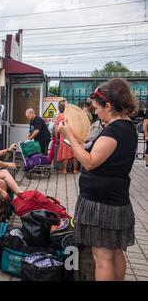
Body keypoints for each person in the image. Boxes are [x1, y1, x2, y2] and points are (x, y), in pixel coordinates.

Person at [58, 78, 138, 281]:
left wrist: (69, 136)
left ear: (108, 106)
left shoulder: (114, 131)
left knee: (102, 257)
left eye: (97, 108)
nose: (96, 112)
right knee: (116, 251)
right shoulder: (128, 127)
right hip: (116, 199)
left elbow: (90, 162)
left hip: (101, 205)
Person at [56, 102, 79, 174]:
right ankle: (75, 170)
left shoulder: (60, 116)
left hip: (64, 137)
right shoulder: (72, 116)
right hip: (73, 136)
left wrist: (57, 138)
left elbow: (57, 129)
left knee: (65, 153)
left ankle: (64, 170)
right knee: (74, 153)